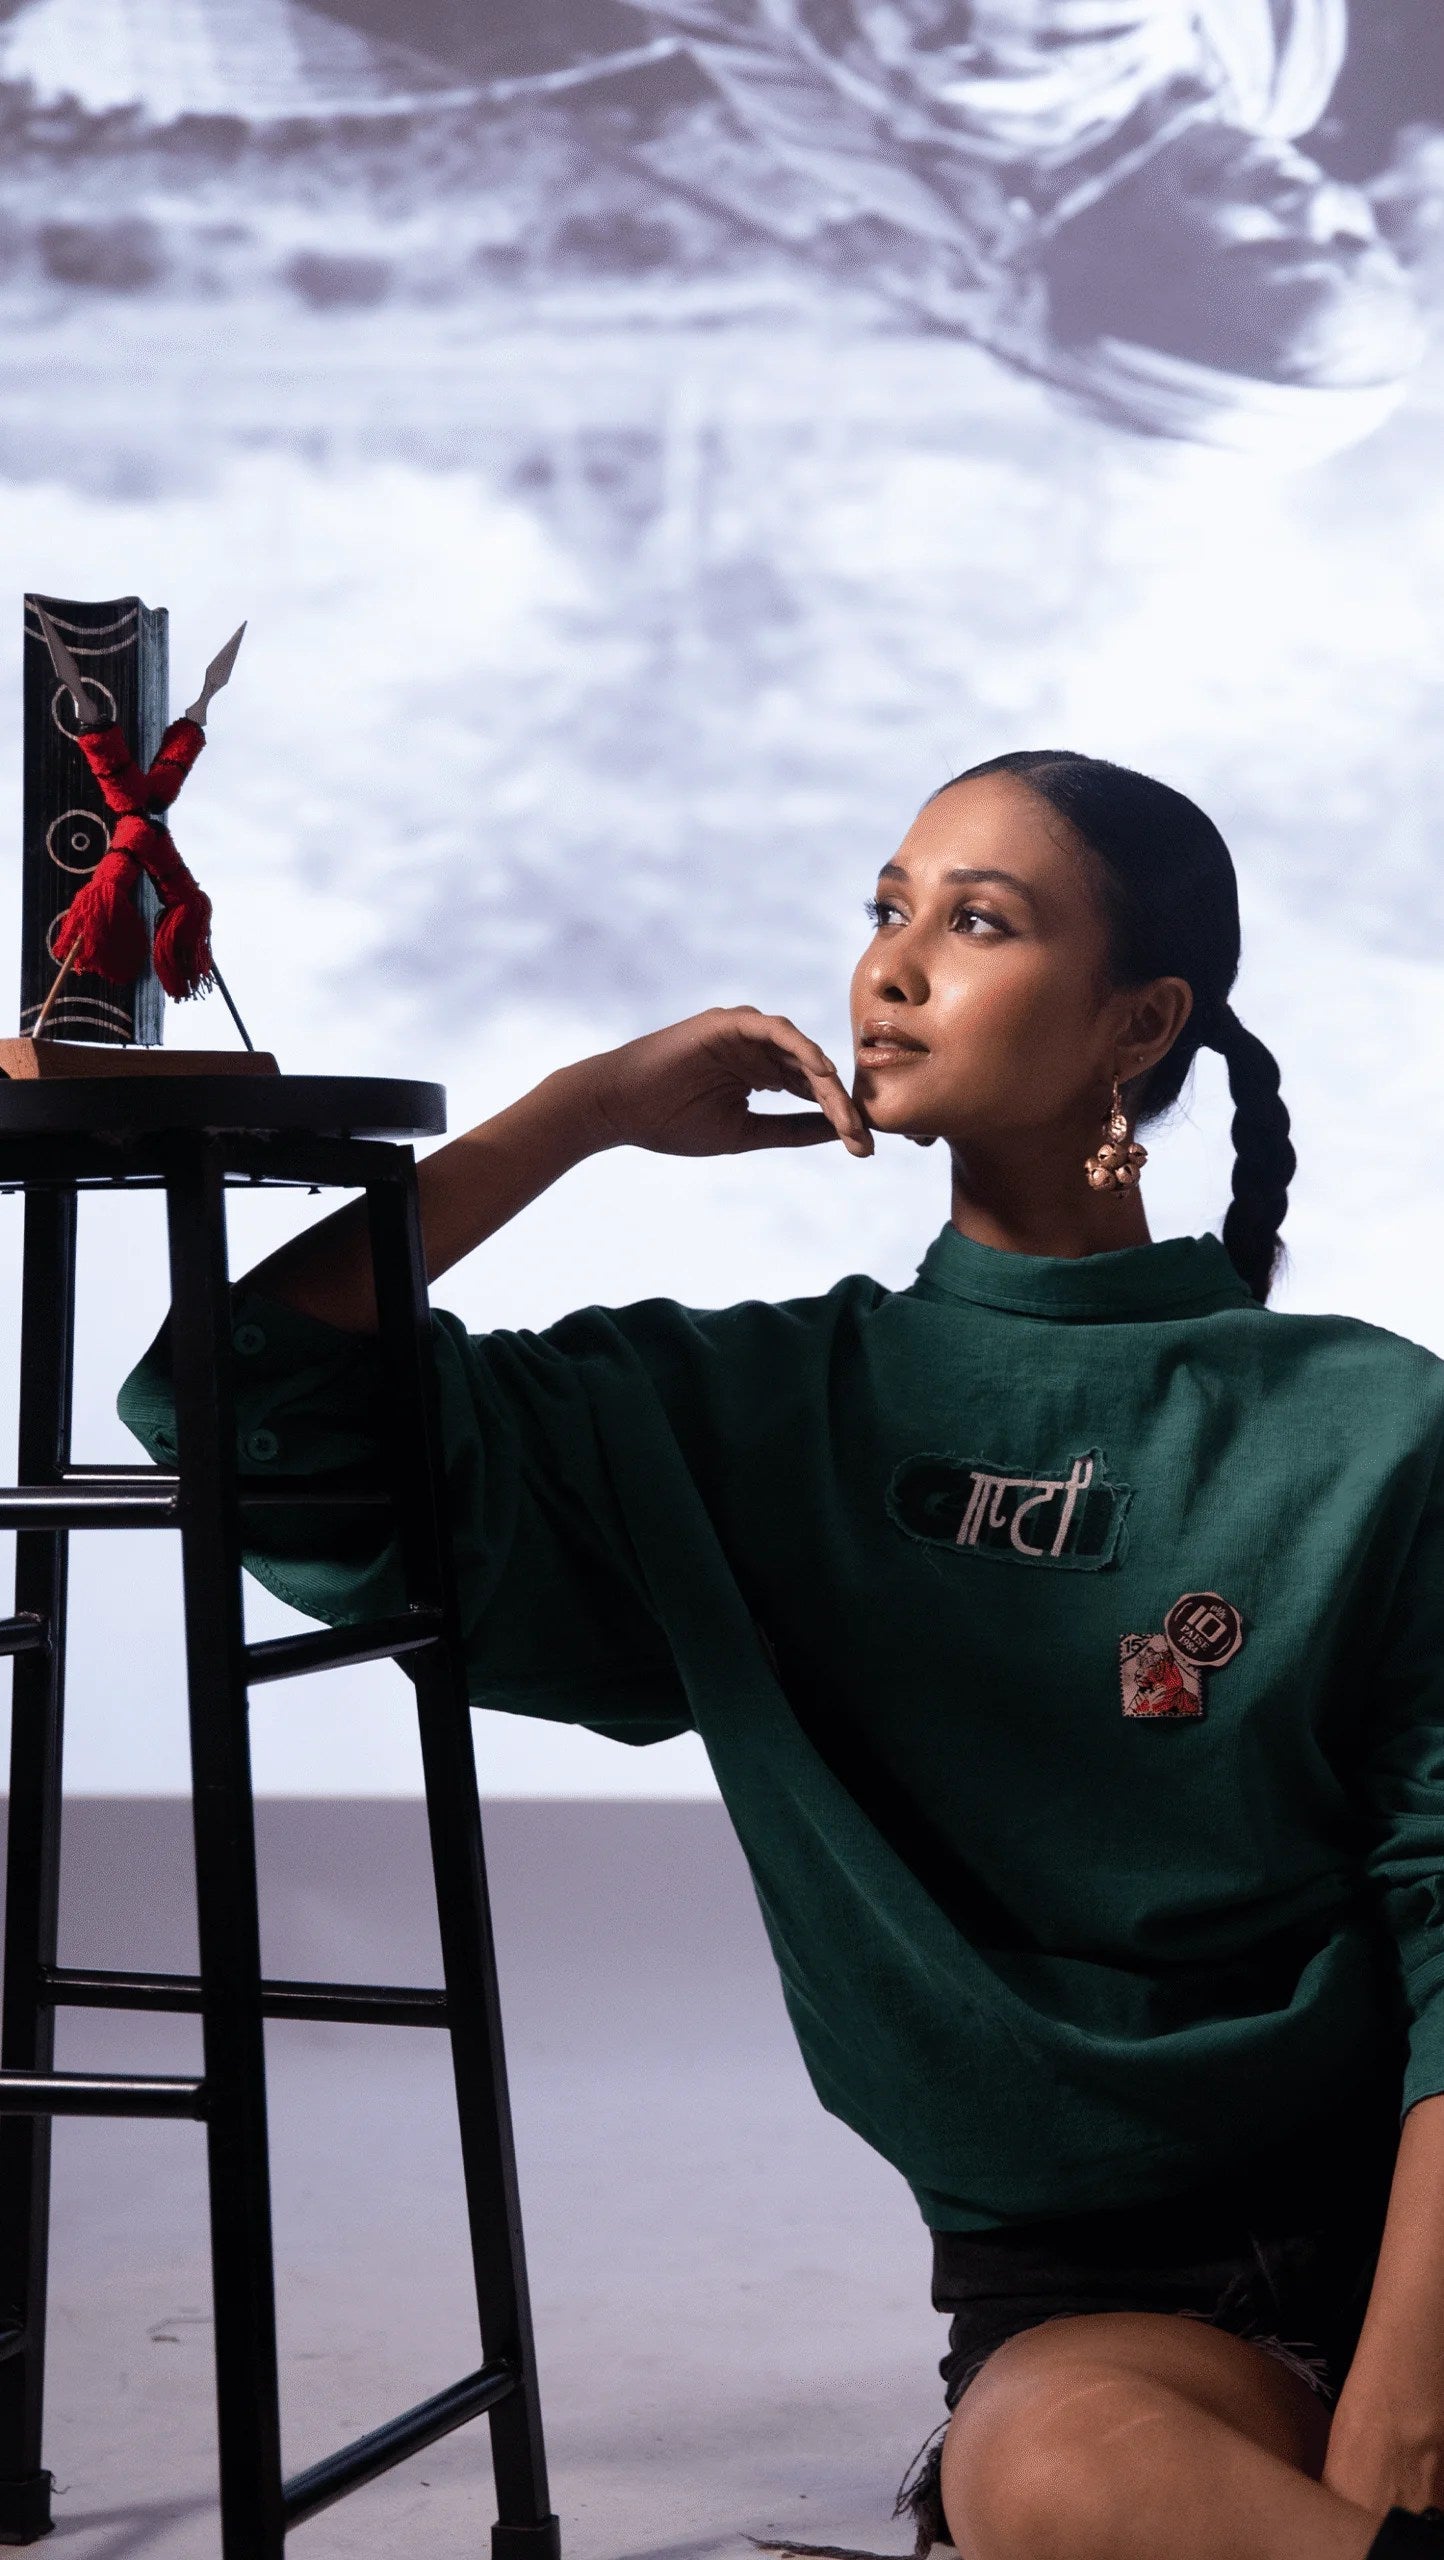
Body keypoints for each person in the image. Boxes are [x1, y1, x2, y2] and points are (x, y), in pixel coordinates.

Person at [119, 750, 1444, 2560]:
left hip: (1417, 2217)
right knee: (1038, 2476)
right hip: (1100, 2302)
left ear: (1140, 1024)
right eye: (885, 909)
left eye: (976, 922)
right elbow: (229, 1406)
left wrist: (1399, 2404)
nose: (889, 965)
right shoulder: (740, 1414)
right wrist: (577, 1113)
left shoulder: (1370, 1422)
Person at [598, 0, 1426, 455]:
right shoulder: (1261, 98)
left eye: (1271, 251)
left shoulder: (1033, 73)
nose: (1315, 203)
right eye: (1354, 241)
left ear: (1126, 273)